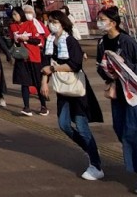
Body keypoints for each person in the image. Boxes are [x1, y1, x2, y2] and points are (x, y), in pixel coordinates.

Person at [96, 6, 137, 197]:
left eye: (102, 19)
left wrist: (125, 65)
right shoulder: (102, 42)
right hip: (118, 94)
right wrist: (106, 71)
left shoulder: (127, 41)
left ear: (113, 22)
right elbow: (100, 68)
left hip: (134, 94)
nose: (99, 22)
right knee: (121, 130)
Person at [39, 10, 104, 181]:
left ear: (62, 22)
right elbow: (46, 62)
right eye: (49, 21)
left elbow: (75, 64)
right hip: (62, 88)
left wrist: (53, 69)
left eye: (54, 21)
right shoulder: (50, 41)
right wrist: (44, 82)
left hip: (76, 88)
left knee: (82, 127)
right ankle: (89, 149)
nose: (51, 24)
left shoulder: (70, 41)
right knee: (64, 124)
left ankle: (96, 165)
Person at [10, 5, 49, 116]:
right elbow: (12, 41)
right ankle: (26, 107)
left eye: (15, 14)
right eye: (13, 14)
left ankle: (43, 106)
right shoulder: (12, 26)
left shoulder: (30, 24)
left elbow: (38, 40)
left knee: (37, 82)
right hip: (22, 58)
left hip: (33, 56)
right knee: (24, 83)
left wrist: (27, 38)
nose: (14, 16)